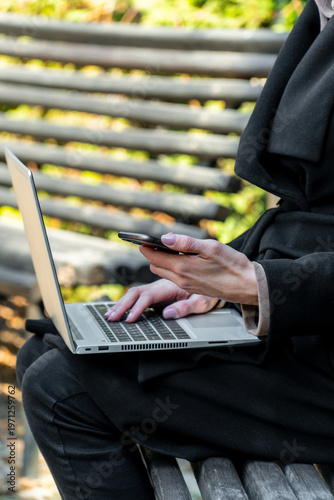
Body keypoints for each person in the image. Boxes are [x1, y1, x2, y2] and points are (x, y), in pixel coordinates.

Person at [16, 1, 334, 498]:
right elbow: (307, 212)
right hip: (304, 324)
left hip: (319, 355)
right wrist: (216, 279)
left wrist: (263, 287)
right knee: (44, 348)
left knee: (61, 387)